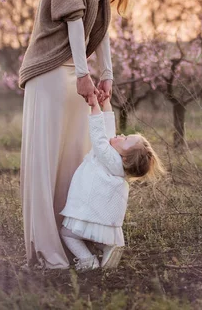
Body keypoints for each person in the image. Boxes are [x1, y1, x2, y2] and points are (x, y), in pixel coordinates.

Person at [19, 0, 141, 269]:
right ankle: (48, 251)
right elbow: (73, 18)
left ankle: (74, 242)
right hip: (52, 68)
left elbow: (99, 28)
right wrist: (84, 73)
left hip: (75, 69)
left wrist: (106, 75)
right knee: (49, 163)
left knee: (75, 162)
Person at [60, 93, 165, 272]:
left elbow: (99, 137)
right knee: (90, 235)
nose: (121, 135)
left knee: (67, 234)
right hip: (99, 215)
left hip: (87, 210)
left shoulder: (109, 157)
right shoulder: (117, 162)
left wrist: (94, 107)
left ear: (124, 158)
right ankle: (106, 247)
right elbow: (108, 131)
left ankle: (87, 260)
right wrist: (106, 104)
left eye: (125, 139)